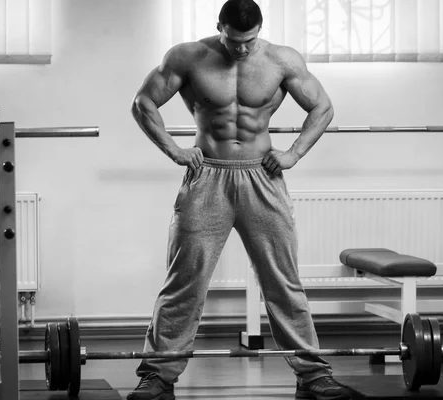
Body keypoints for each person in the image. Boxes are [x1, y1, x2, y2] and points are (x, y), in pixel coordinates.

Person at [129, 1, 350, 399]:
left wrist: (294, 154)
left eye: (249, 41)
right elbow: (143, 103)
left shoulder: (282, 60)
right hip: (207, 176)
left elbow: (323, 106)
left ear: (260, 30)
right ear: (220, 27)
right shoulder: (189, 56)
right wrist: (175, 150)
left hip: (262, 176)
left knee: (282, 280)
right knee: (184, 281)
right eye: (234, 41)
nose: (242, 50)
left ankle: (313, 375)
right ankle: (158, 377)